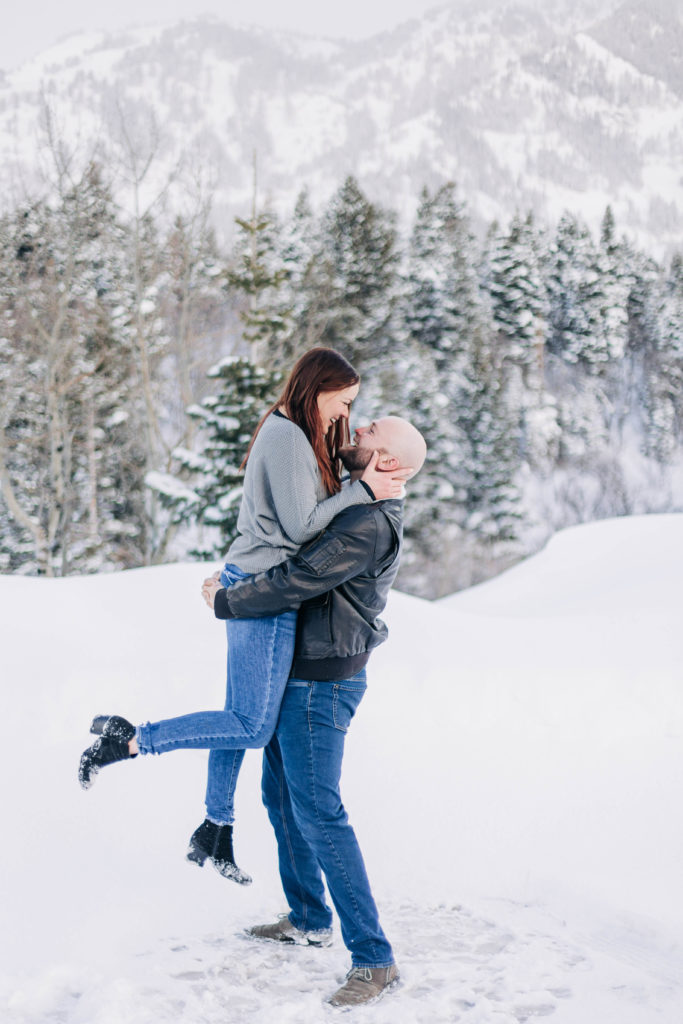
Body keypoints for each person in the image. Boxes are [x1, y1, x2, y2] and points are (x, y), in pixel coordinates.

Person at [78, 349, 408, 886]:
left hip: (257, 584)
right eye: (342, 401)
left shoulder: (301, 433)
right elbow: (301, 528)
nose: (345, 413)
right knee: (253, 726)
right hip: (263, 592)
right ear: (317, 388)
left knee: (239, 715)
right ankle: (131, 737)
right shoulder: (286, 436)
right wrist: (362, 491)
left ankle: (215, 827)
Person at [201, 415, 426, 1008]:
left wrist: (230, 599)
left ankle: (375, 959)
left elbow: (300, 577)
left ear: (392, 464)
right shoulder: (356, 503)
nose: (360, 429)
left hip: (319, 687)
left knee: (321, 814)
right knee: (280, 798)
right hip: (296, 674)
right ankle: (308, 917)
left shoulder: (368, 524)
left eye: (371, 432)